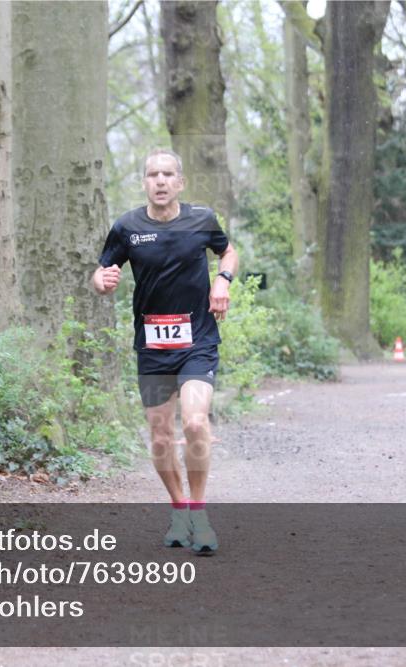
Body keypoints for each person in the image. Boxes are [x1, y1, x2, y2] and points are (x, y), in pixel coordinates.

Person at [91, 148, 238, 555]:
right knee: (160, 436)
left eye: (167, 174)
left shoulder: (202, 220)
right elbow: (100, 271)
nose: (159, 181)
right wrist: (101, 280)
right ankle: (178, 510)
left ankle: (199, 512)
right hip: (153, 347)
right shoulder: (127, 227)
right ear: (144, 182)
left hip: (198, 342)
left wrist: (222, 280)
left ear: (180, 182)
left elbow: (228, 250)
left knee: (193, 424)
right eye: (152, 174)